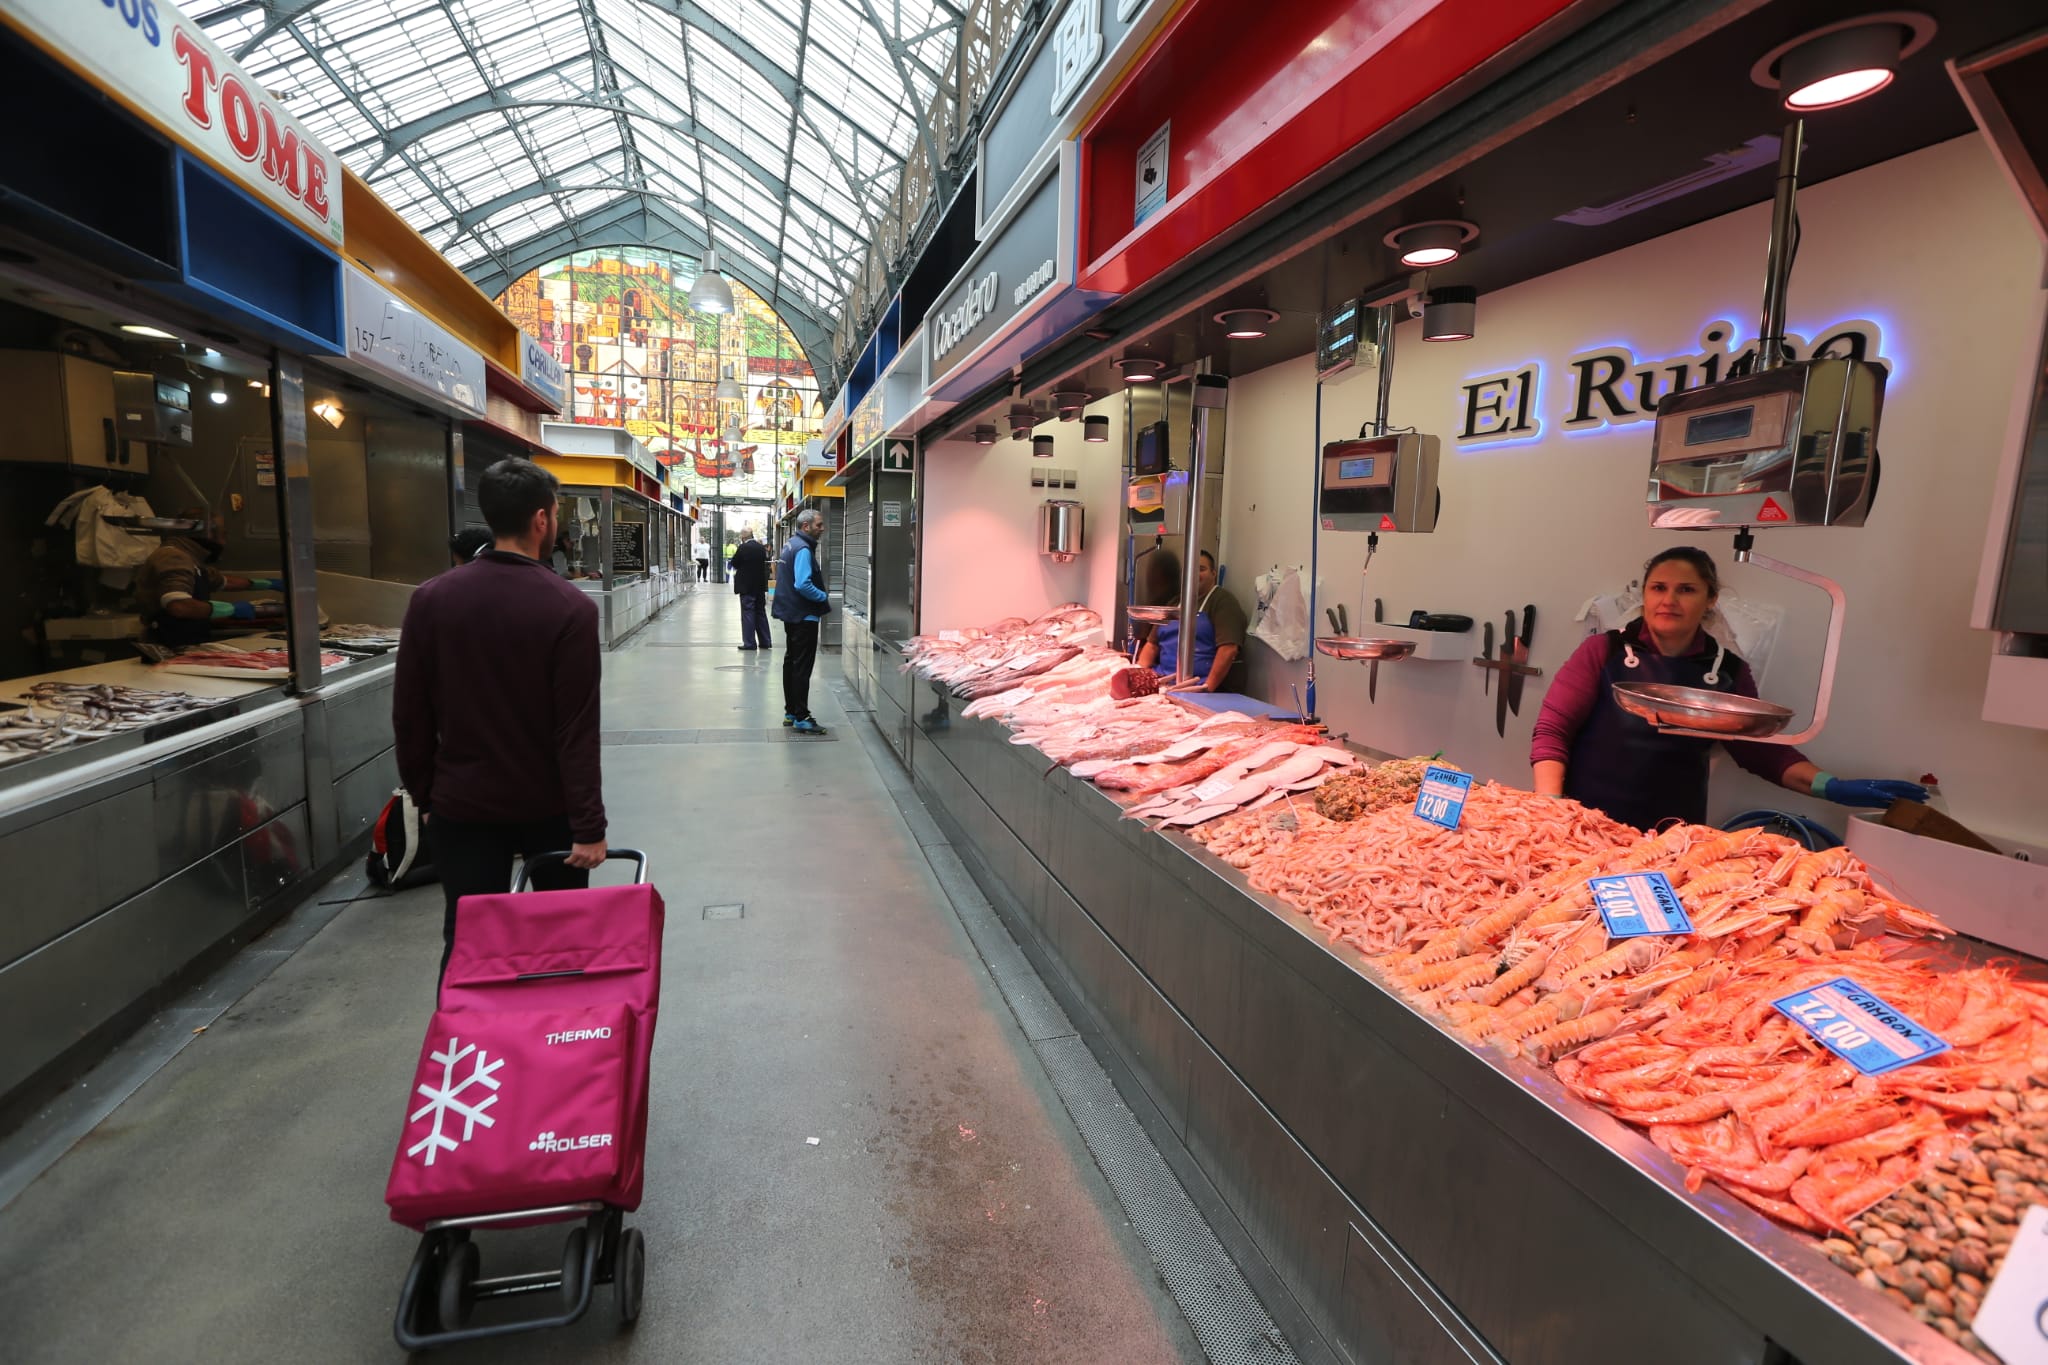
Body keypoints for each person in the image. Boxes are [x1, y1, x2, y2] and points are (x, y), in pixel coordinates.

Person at [1531, 546, 1926, 830]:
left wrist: (1831, 786)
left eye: (1686, 589)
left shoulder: (1725, 671)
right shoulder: (1602, 651)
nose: (1668, 600)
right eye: (1658, 588)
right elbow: (1552, 731)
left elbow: (1760, 753)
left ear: (1710, 599)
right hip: (1585, 823)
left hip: (1674, 834)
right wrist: (1552, 806)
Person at [394, 457, 607, 977]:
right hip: (549, 806)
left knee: (468, 938)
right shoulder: (568, 608)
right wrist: (588, 826)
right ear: (542, 519)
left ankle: (467, 1055)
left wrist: (427, 796)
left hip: (462, 805)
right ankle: (557, 1047)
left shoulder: (432, 599)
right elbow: (575, 730)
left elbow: (410, 714)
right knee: (562, 939)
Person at [135, 515, 285, 647]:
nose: (224, 542)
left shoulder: (191, 557)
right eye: (223, 535)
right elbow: (179, 606)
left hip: (187, 643)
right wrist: (231, 609)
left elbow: (221, 581)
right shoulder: (174, 557)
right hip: (167, 644)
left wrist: (268, 583)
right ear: (206, 533)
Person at [1135, 550, 1248, 693]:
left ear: (1214, 574)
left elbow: (1228, 649)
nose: (1194, 574)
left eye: (1201, 569)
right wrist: (1138, 676)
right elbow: (1152, 645)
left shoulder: (1223, 601)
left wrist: (1206, 689)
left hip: (1197, 687)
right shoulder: (1175, 602)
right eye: (1190, 570)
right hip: (1163, 682)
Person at [773, 507, 831, 734]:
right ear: (805, 526)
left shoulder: (790, 544)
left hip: (790, 613)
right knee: (802, 667)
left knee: (792, 663)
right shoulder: (804, 549)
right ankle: (801, 715)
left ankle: (790, 711)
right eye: (819, 525)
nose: (822, 528)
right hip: (803, 615)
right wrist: (823, 596)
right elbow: (802, 584)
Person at [729, 527, 772, 652]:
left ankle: (749, 643)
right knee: (761, 612)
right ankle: (765, 641)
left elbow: (735, 563)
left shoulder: (743, 548)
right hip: (759, 586)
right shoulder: (760, 548)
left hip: (746, 587)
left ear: (743, 537)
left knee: (748, 613)